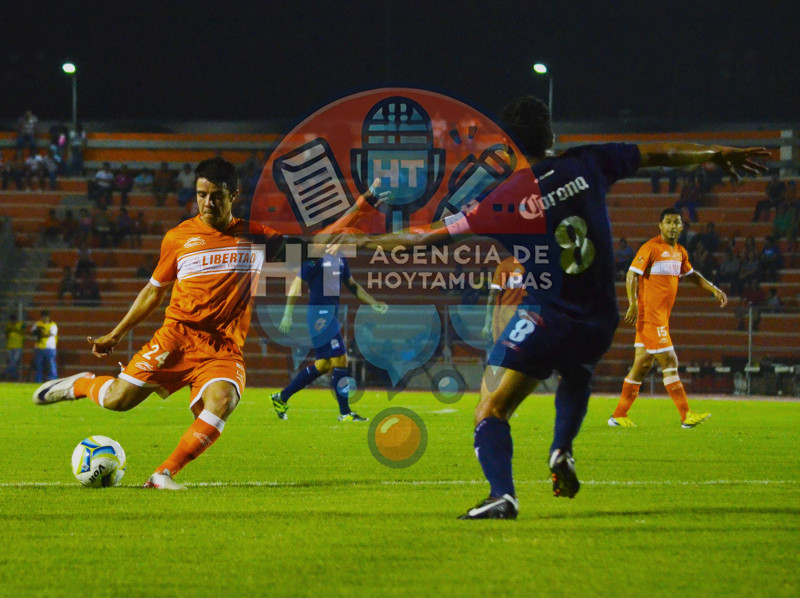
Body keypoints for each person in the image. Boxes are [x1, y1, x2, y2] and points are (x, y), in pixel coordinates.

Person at [341, 96, 767, 519]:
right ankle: (561, 450)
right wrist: (717, 154)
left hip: (548, 318)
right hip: (601, 320)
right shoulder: (589, 163)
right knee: (576, 372)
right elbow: (657, 153)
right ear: (552, 137)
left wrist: (364, 243)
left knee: (491, 410)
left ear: (507, 147)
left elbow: (425, 238)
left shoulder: (502, 202)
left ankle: (502, 495)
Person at [33, 157, 377, 490]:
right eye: (201, 194)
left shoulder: (256, 237)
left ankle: (163, 474)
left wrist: (360, 206)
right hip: (176, 338)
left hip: (222, 348)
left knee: (223, 401)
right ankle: (79, 385)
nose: (207, 202)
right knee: (116, 400)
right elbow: (153, 293)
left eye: (216, 195)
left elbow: (313, 247)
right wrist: (115, 333)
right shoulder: (178, 239)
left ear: (233, 196)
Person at [609, 208, 727, 429]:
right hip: (650, 318)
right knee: (670, 362)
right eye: (669, 222)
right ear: (660, 226)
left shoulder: (680, 252)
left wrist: (714, 290)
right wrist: (633, 304)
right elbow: (631, 274)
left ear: (682, 226)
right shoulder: (651, 248)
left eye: (677, 222)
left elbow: (692, 275)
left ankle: (618, 415)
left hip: (660, 318)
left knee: (642, 365)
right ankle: (686, 416)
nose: (673, 226)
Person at [270, 254, 387, 422]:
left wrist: (373, 302)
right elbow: (297, 283)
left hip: (330, 314)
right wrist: (287, 315)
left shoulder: (341, 258)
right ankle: (345, 413)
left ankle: (281, 397)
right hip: (319, 315)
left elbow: (352, 285)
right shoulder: (316, 256)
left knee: (324, 365)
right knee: (341, 358)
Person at [482, 256, 526, 343]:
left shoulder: (541, 265)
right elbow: (494, 295)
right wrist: (488, 323)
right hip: (508, 320)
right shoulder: (506, 265)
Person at [30, 310, 58, 383]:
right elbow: (32, 331)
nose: (45, 318)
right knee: (38, 365)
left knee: (51, 365)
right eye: (43, 316)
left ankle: (53, 380)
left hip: (50, 348)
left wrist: (41, 333)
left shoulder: (53, 325)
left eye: (46, 316)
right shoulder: (38, 323)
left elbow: (52, 333)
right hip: (39, 347)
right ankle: (38, 380)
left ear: (49, 317)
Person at [3, 313, 25, 381]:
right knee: (12, 361)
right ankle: (13, 376)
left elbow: (24, 329)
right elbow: (6, 334)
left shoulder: (21, 324)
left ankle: (5, 373)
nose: (13, 321)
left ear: (16, 320)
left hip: (18, 346)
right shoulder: (8, 326)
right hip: (10, 346)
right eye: (12, 320)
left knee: (14, 361)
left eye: (14, 320)